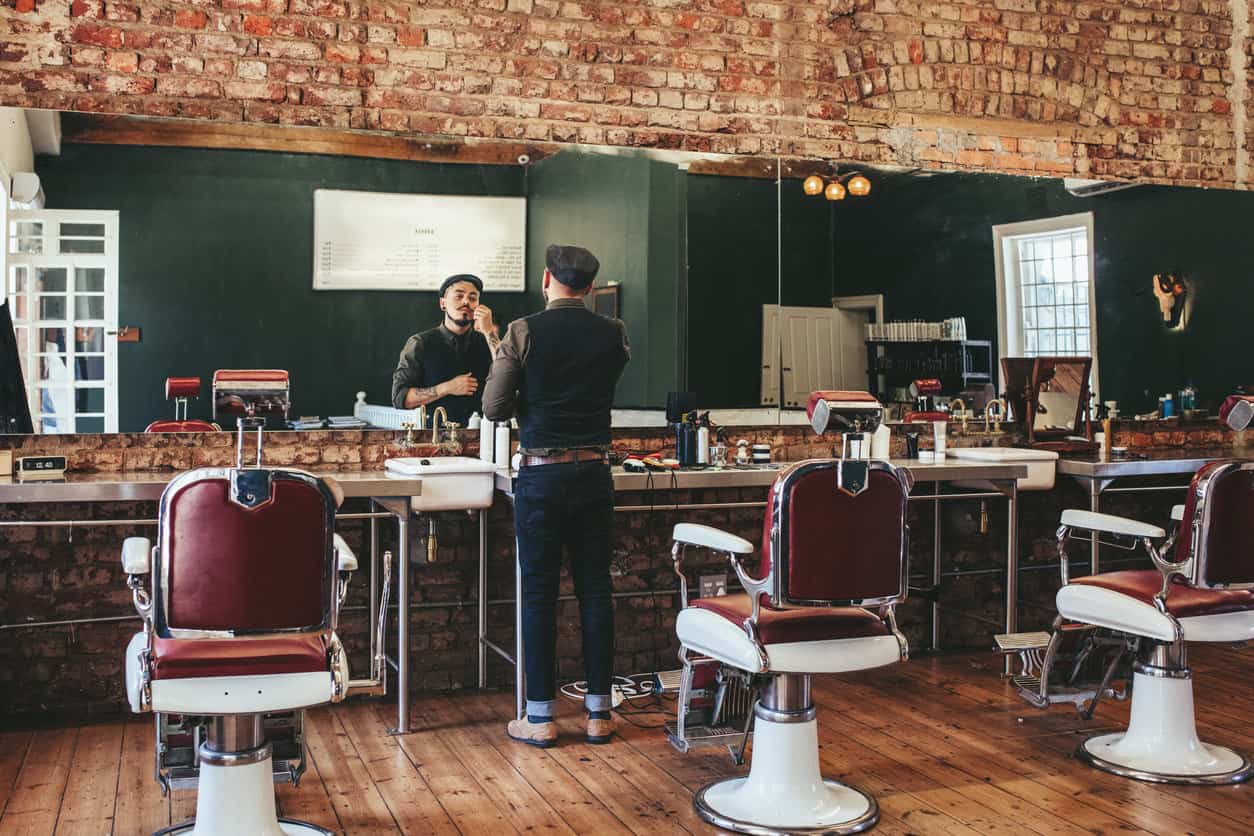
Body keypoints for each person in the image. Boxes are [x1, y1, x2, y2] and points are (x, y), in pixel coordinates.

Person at [482, 244, 630, 748]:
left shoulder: (522, 331)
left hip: (542, 476)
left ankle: (540, 718)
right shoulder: (614, 333)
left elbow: (494, 407)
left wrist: (530, 393)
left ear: (547, 279)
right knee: (596, 592)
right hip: (594, 473)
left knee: (540, 593)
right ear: (590, 287)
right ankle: (599, 715)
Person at [391, 274, 499, 427]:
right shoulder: (420, 343)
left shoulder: (486, 341)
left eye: (473, 298)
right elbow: (400, 398)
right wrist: (448, 387)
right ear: (443, 303)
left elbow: (509, 371)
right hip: (434, 440)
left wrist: (489, 332)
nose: (466, 301)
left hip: (484, 438)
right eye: (459, 296)